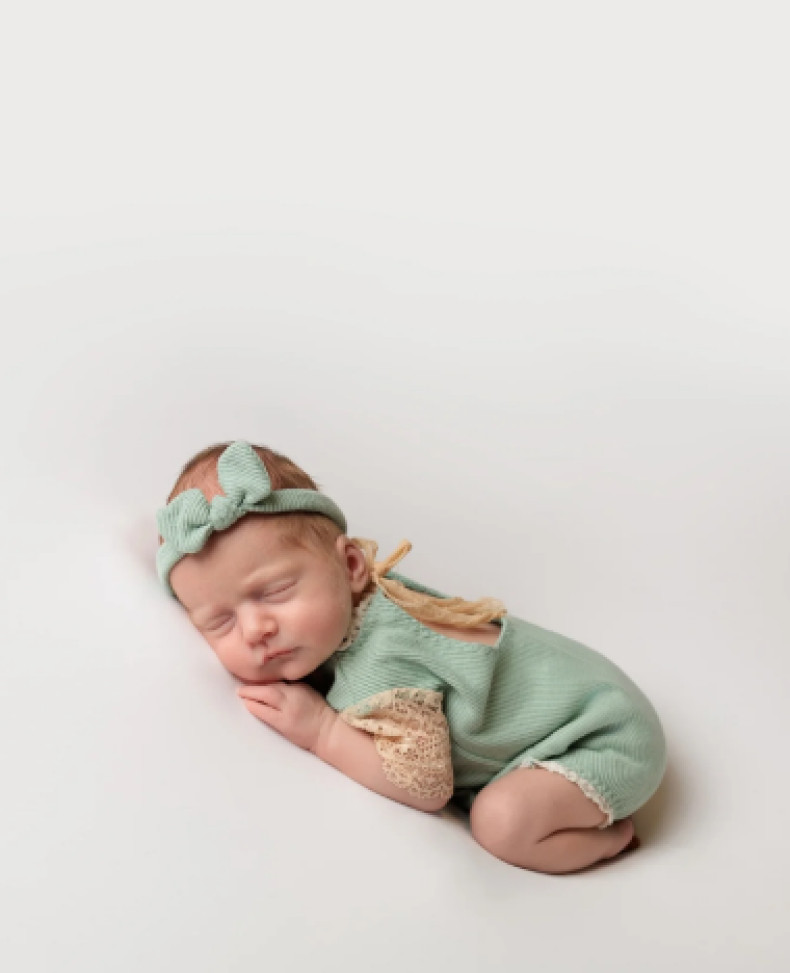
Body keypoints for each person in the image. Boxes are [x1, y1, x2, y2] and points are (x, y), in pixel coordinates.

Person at [156, 440, 667, 875]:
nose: (255, 630)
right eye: (220, 622)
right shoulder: (349, 612)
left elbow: (426, 786)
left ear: (351, 566)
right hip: (587, 696)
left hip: (599, 739)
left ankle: (613, 840)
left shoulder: (382, 665)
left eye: (275, 591)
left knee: (501, 824)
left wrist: (323, 732)